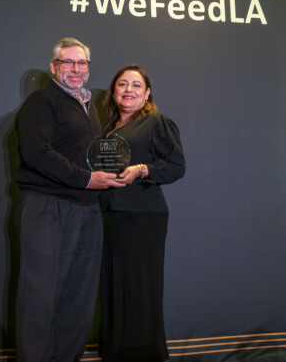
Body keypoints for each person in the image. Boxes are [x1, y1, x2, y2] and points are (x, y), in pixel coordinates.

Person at [14, 37, 125, 362]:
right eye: (68, 63)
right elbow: (37, 152)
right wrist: (87, 179)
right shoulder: (42, 101)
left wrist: (116, 173)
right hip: (49, 207)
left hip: (87, 210)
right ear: (54, 67)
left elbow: (89, 155)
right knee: (40, 296)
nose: (75, 69)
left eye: (81, 64)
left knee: (78, 296)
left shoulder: (89, 106)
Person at [98, 64, 186, 362]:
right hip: (110, 216)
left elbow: (176, 166)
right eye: (122, 84)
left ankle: (144, 354)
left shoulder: (156, 123)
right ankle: (116, 353)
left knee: (139, 289)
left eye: (136, 85)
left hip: (142, 216)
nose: (128, 90)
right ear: (113, 92)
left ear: (147, 93)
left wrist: (142, 169)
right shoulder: (106, 131)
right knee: (114, 289)